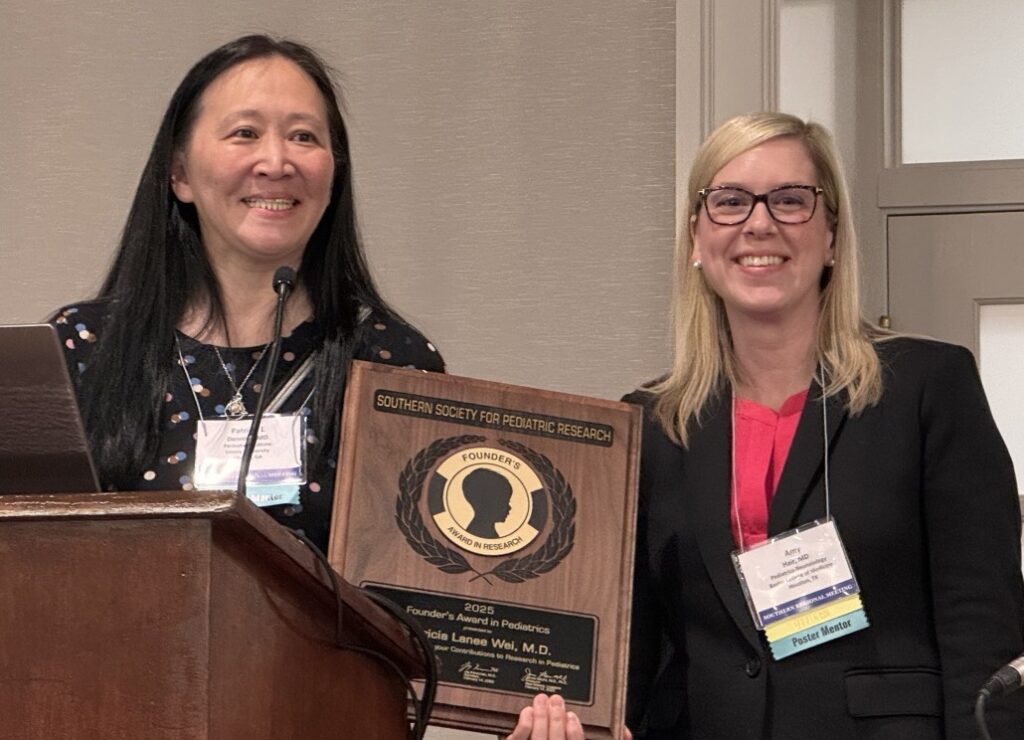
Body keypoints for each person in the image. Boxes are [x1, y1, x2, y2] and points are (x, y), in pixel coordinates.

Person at [509, 112, 1024, 739]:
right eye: (728, 201)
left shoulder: (927, 387)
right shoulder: (649, 422)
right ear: (696, 239)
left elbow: (982, 629)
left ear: (832, 235)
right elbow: (633, 647)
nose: (759, 222)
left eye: (790, 200)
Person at [51, 35, 443, 552]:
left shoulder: (393, 364)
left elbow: (417, 588)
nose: (276, 161)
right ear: (180, 173)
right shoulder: (81, 348)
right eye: (245, 133)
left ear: (334, 172)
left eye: (303, 137)